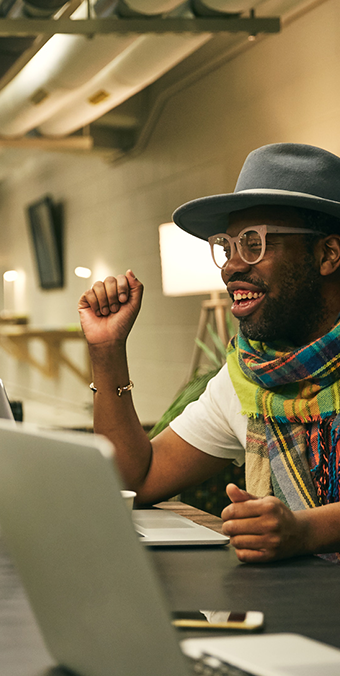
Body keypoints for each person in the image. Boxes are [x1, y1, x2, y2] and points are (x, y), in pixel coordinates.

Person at [79, 142, 340, 564]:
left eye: (254, 243)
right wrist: (107, 350)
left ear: (327, 254)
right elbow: (134, 479)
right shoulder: (249, 379)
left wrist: (307, 530)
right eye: (227, 245)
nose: (231, 266)